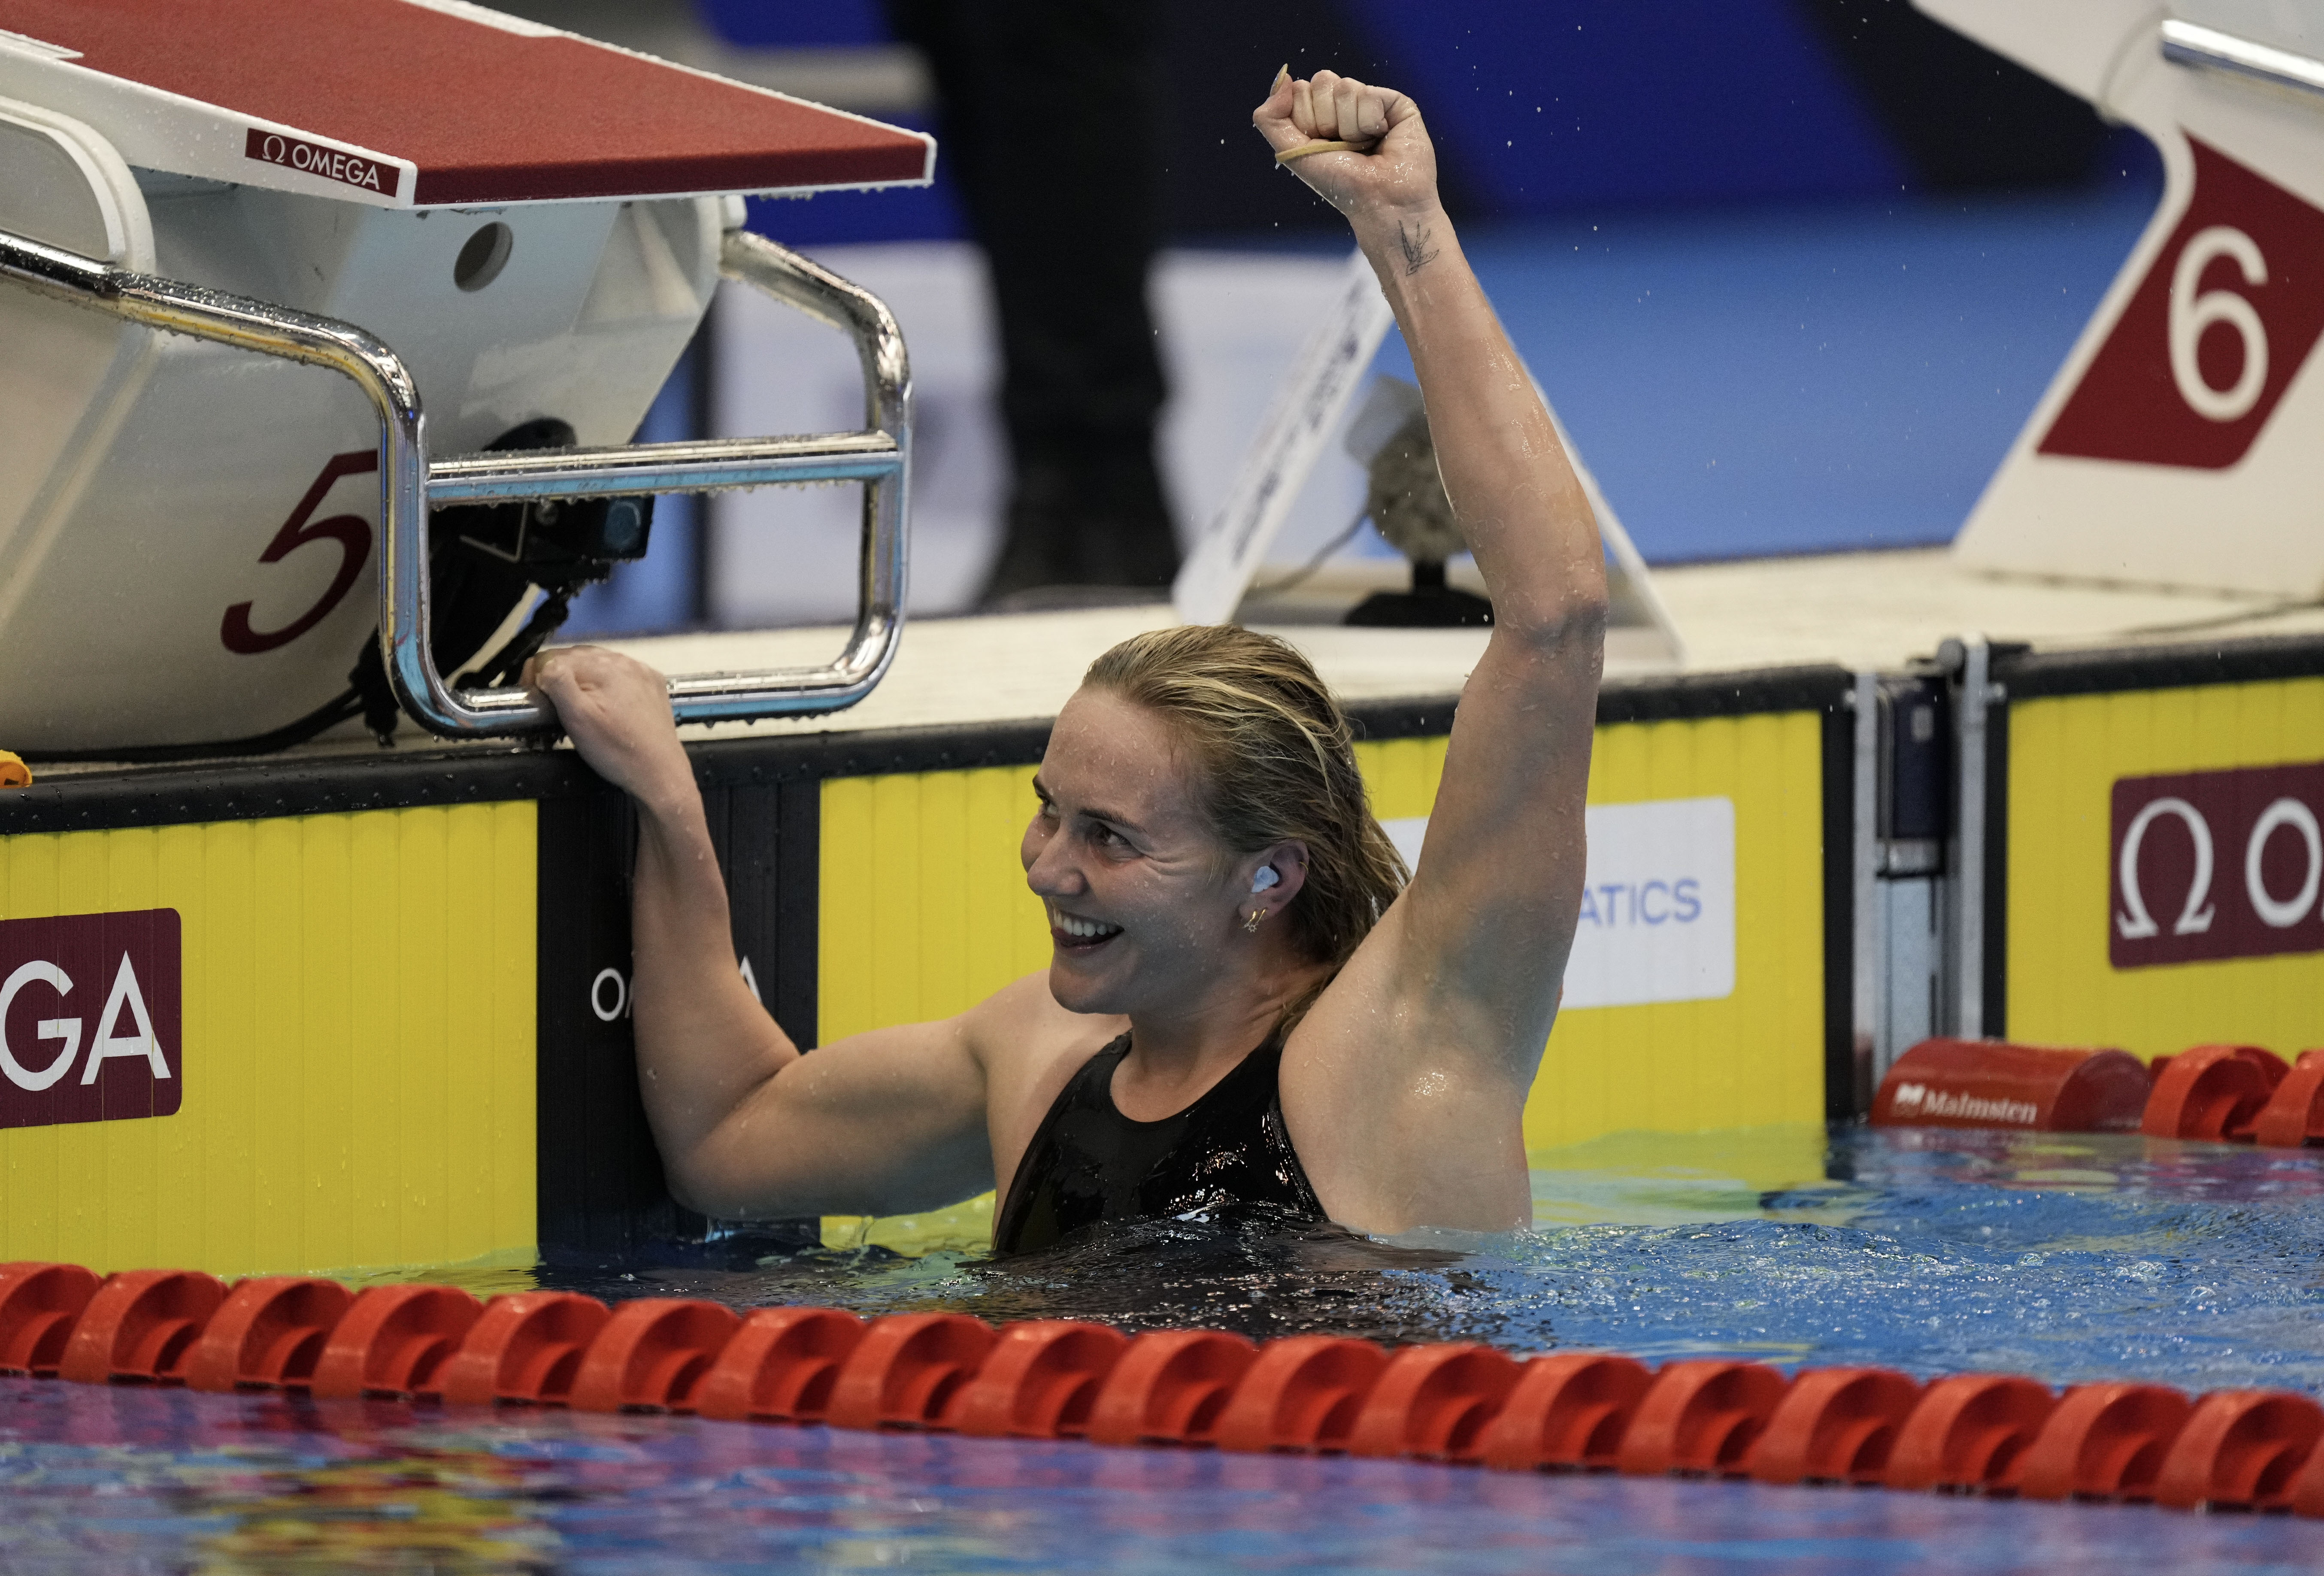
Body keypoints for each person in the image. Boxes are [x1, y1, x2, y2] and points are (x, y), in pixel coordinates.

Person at [528, 70, 1608, 1249]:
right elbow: (733, 1138)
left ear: (1270, 876)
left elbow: (1552, 620)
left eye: (1111, 836)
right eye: (1052, 812)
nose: (1048, 866)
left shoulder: (1406, 1050)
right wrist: (669, 807)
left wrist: (1406, 231)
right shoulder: (1033, 1056)